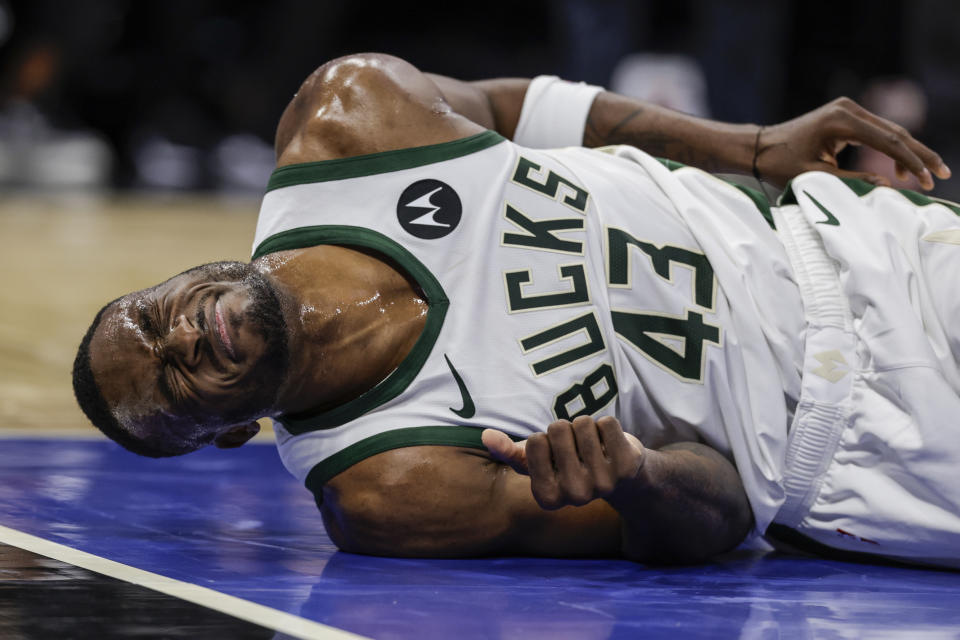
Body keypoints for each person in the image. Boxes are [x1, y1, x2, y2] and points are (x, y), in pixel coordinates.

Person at [73, 53, 960, 567]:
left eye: (155, 319)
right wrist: (639, 478)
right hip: (861, 448)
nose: (183, 338)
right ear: (230, 435)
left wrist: (753, 147)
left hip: (854, 245)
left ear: (176, 277)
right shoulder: (389, 486)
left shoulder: (346, 123)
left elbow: (513, 108)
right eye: (173, 383)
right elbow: (724, 517)